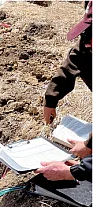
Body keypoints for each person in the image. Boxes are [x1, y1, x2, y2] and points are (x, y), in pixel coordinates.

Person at [43, 1, 92, 158]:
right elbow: (76, 58)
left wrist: (88, 146)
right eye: (87, 33)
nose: (88, 42)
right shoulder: (88, 43)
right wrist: (51, 98)